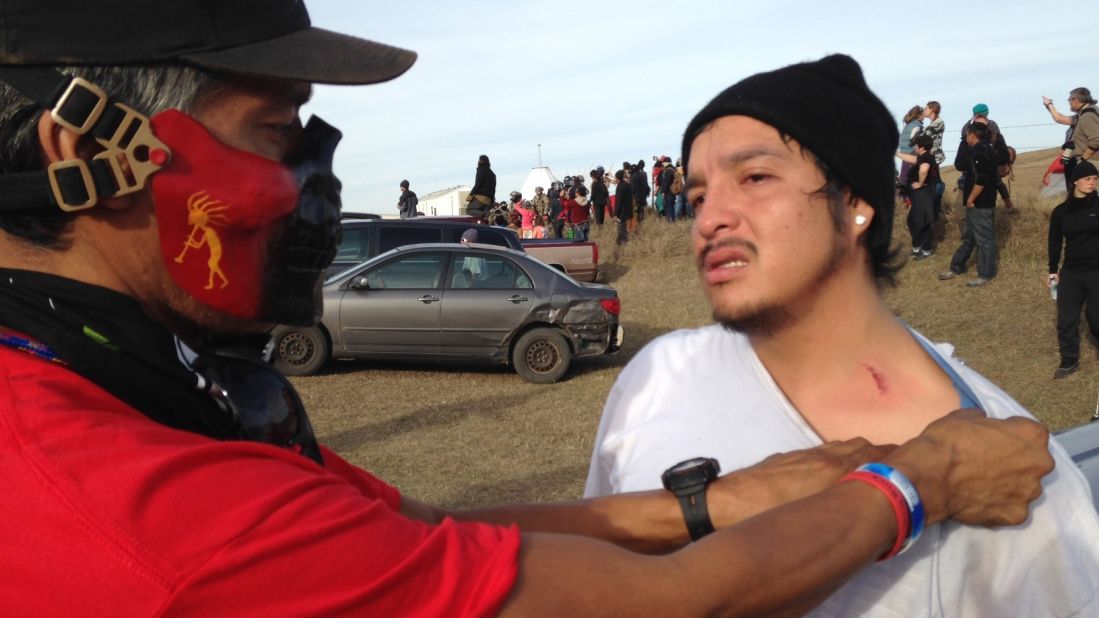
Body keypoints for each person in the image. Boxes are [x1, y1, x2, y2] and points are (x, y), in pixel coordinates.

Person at [0, 9, 1059, 614]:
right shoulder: (147, 511)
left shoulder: (140, 386)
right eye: (278, 133)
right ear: (84, 152)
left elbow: (411, 533)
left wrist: (700, 508)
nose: (317, 179)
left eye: (755, 179)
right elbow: (664, 606)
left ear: (860, 204)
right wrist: (921, 477)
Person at [584, 54, 1099, 618]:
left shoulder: (1019, 481)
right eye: (700, 196)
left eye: (755, 178)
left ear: (854, 201)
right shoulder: (656, 376)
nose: (708, 219)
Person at [1047, 160, 1099, 379]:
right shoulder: (1061, 212)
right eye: (1088, 179)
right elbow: (1055, 242)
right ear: (1075, 181)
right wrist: (1052, 270)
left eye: (1095, 179)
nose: (1092, 182)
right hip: (1071, 272)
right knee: (1066, 318)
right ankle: (1069, 360)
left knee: (1095, 317)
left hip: (1096, 270)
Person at [940, 122, 1000, 287]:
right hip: (982, 201)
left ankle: (986, 274)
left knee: (984, 240)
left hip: (980, 203)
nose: (965, 138)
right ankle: (957, 266)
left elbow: (980, 181)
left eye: (967, 135)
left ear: (973, 135)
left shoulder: (980, 153)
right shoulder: (989, 149)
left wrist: (971, 199)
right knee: (970, 237)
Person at [1043, 87, 1099, 193]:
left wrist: (1082, 160)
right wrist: (1049, 105)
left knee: (1082, 195)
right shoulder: (1083, 114)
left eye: (1069, 100)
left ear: (1076, 100)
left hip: (1087, 161)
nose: (1069, 103)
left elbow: (1096, 140)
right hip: (1082, 161)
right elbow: (1059, 118)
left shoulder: (1087, 115)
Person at [896, 135, 939, 259]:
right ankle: (917, 246)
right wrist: (896, 153)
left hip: (923, 194)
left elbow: (924, 170)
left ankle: (926, 250)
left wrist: (920, 183)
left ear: (922, 147)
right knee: (913, 221)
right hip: (919, 195)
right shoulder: (923, 157)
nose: (914, 147)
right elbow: (912, 159)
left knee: (923, 222)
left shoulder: (927, 158)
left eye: (916, 145)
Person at [919, 101, 947, 217]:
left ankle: (935, 207)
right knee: (933, 181)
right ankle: (934, 207)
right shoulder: (932, 123)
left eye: (926, 108)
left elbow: (924, 136)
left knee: (936, 182)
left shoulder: (938, 122)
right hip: (930, 156)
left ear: (932, 110)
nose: (924, 110)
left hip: (935, 157)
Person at [897, 105, 923, 186]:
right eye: (923, 114)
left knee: (904, 179)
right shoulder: (916, 126)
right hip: (912, 155)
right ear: (918, 115)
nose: (924, 116)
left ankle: (905, 196)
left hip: (904, 155)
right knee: (912, 180)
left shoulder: (908, 125)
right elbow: (914, 140)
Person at [466, 154, 496, 220]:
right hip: (489, 200)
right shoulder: (493, 174)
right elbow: (493, 189)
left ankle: (487, 213)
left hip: (480, 198)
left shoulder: (480, 170)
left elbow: (478, 184)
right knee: (483, 219)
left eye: (479, 160)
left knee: (469, 210)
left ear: (481, 161)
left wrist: (471, 194)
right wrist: (492, 201)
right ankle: (487, 214)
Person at [613, 168, 633, 244]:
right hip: (628, 209)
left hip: (621, 211)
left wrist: (615, 214)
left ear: (617, 177)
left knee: (621, 227)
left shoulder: (619, 187)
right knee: (623, 226)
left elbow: (618, 201)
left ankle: (624, 241)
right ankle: (620, 241)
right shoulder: (627, 185)